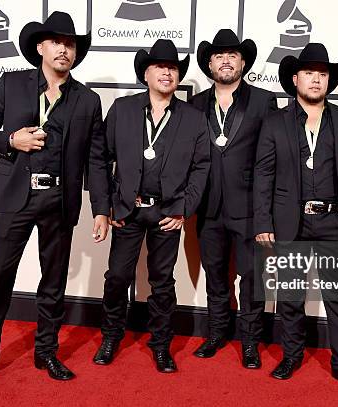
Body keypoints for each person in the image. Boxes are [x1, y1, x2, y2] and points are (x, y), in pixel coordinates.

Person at [0, 12, 110, 391]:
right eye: (56, 41)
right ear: (40, 47)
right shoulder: (11, 85)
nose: (64, 49)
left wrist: (103, 208)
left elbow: (96, 159)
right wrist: (12, 140)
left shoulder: (88, 100)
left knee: (53, 281)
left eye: (70, 43)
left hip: (60, 200)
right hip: (16, 197)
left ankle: (46, 352)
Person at [253, 43, 338, 394]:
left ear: (329, 80)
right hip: (292, 222)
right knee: (290, 295)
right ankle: (291, 355)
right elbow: (263, 175)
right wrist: (263, 222)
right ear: (295, 78)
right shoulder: (275, 123)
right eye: (309, 73)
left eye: (322, 74)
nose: (316, 79)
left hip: (334, 222)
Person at [92, 39, 210, 373]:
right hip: (127, 211)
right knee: (117, 277)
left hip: (168, 212)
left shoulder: (193, 118)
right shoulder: (122, 110)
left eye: (172, 67)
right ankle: (111, 337)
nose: (167, 72)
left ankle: (160, 346)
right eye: (160, 66)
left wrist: (184, 208)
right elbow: (100, 159)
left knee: (162, 282)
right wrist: (108, 204)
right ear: (146, 73)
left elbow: (202, 166)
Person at [189, 29, 277, 368]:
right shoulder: (195, 105)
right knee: (215, 275)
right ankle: (216, 333)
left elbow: (271, 159)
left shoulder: (263, 101)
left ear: (243, 62)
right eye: (219, 55)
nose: (226, 60)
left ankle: (251, 342)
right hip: (208, 207)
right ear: (210, 64)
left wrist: (265, 211)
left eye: (233, 54)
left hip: (250, 208)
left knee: (251, 278)